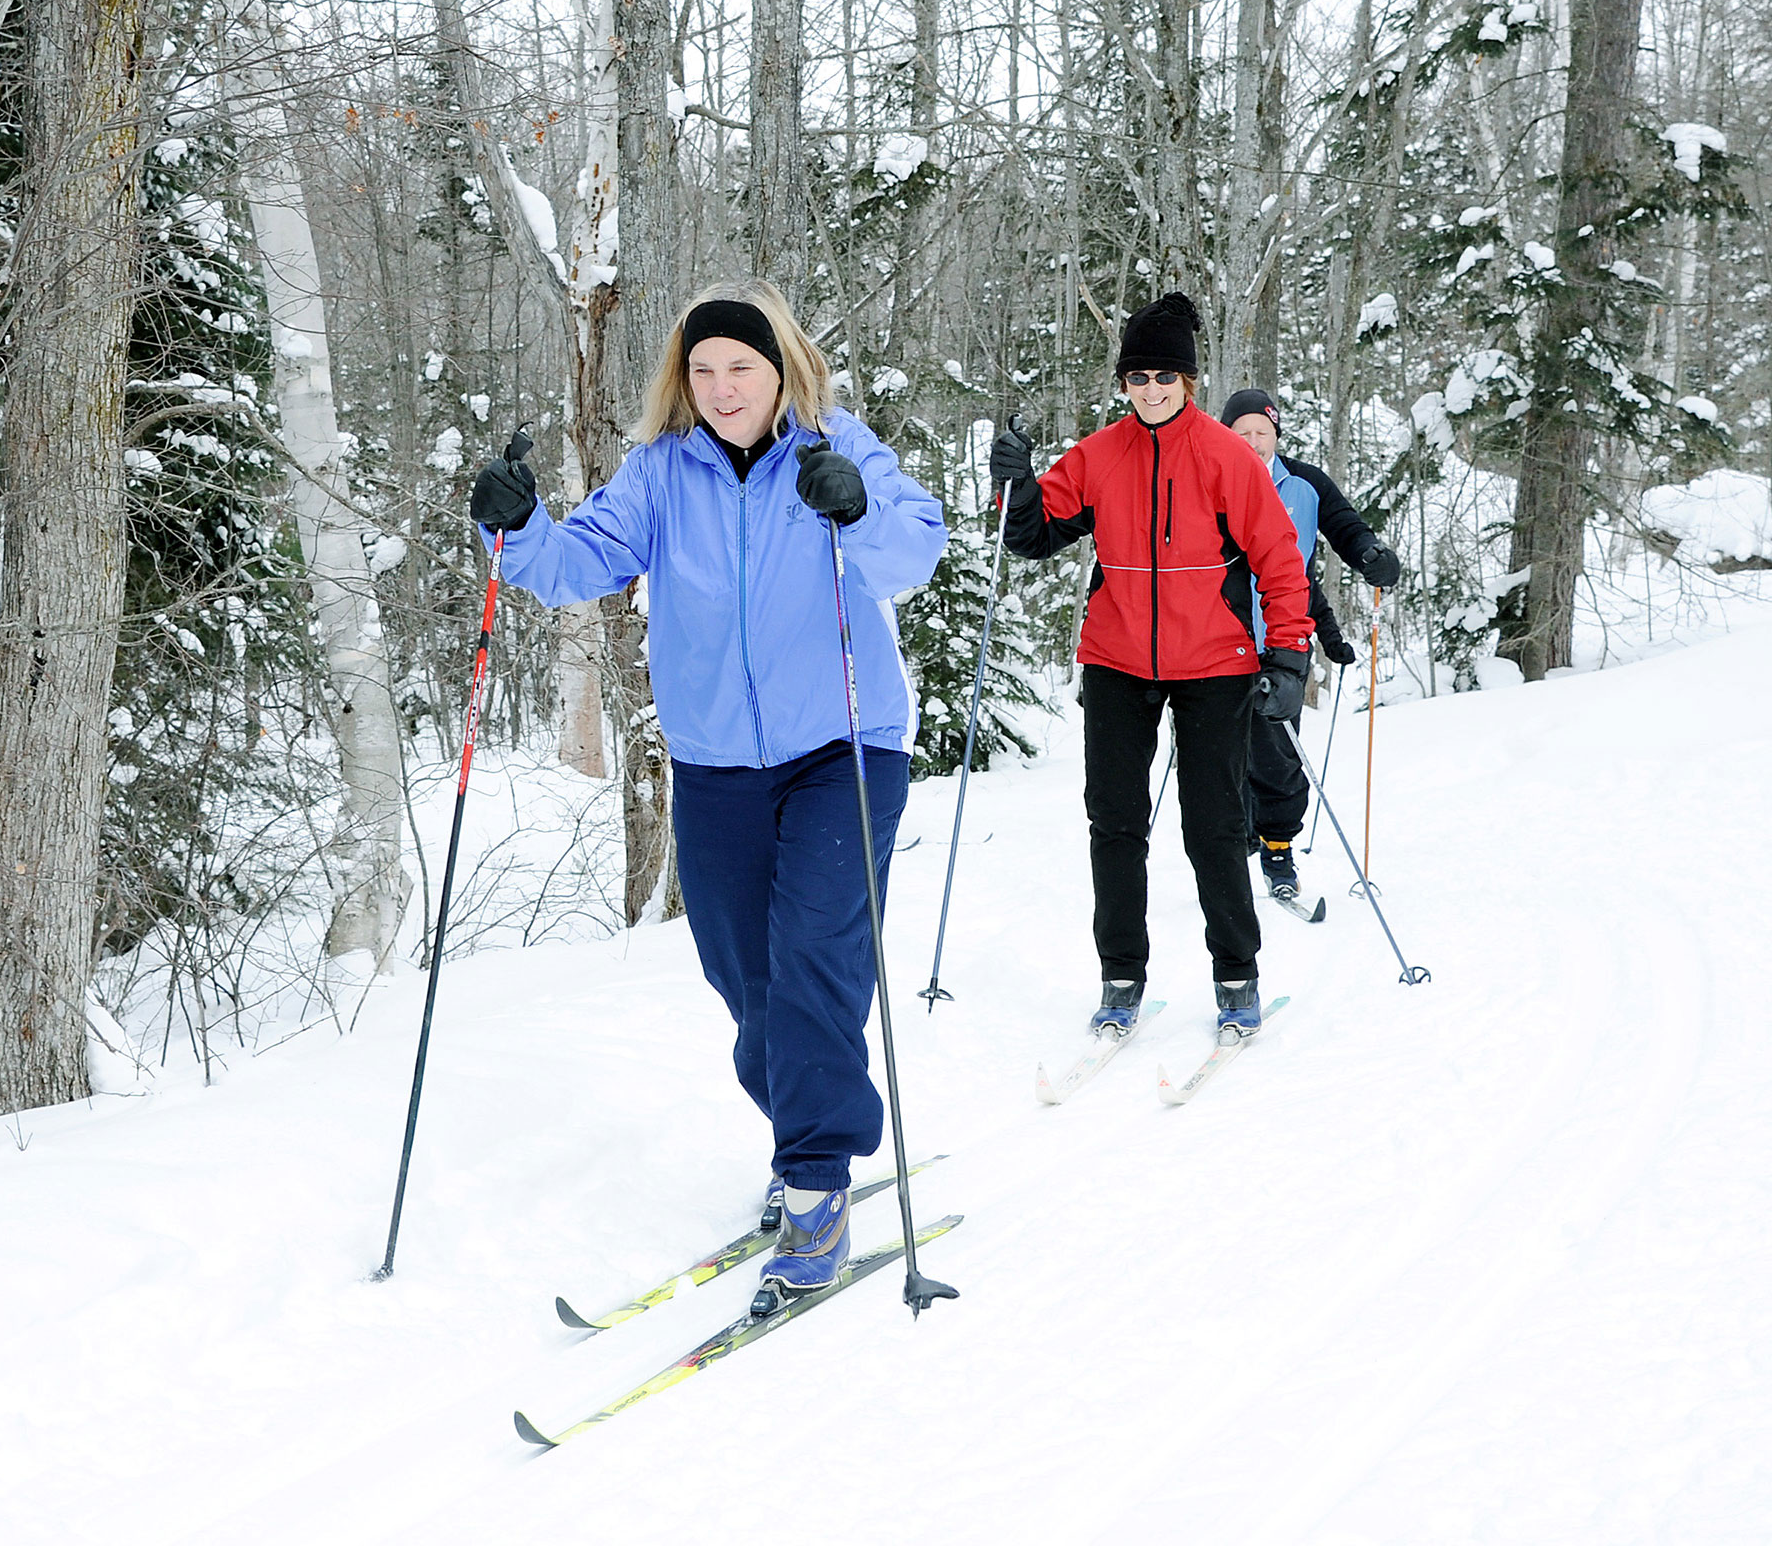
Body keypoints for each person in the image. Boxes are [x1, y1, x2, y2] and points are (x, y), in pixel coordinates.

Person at [468, 280, 946, 1301]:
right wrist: (515, 532)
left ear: (781, 369)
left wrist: (850, 511)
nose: (723, 387)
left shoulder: (833, 447)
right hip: (717, 761)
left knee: (816, 953)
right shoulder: (661, 474)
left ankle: (815, 1190)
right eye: (703, 370)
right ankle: (796, 1136)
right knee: (746, 980)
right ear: (681, 382)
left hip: (844, 748)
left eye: (741, 367)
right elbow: (580, 561)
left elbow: (914, 549)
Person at [994, 293, 1313, 1038]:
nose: (1151, 389)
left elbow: (1278, 561)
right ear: (1123, 384)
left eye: (1165, 375)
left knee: (1213, 826)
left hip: (1215, 663)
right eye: (1138, 376)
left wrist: (1288, 654)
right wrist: (1014, 484)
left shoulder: (1229, 457)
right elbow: (1034, 536)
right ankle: (1121, 974)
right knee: (1115, 823)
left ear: (1190, 381)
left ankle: (1236, 974)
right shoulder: (1100, 455)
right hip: (1117, 660)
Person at [1217, 389, 1401, 903]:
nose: (1252, 442)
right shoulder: (1207, 478)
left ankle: (1278, 850)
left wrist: (1369, 554)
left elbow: (1341, 529)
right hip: (1215, 641)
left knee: (1277, 753)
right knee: (1216, 757)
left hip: (1282, 640)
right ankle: (1228, 849)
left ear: (1276, 436)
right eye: (1242, 432)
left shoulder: (1303, 483)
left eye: (1262, 432)